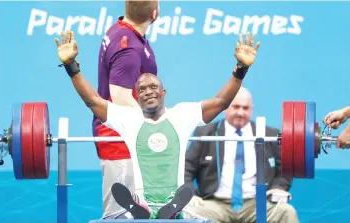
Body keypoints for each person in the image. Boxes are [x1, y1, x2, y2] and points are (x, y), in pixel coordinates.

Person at [55, 30, 260, 219]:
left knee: (176, 204)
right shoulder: (129, 120)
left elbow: (221, 102)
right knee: (143, 209)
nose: (148, 91)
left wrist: (241, 69)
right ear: (137, 97)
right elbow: (93, 101)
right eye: (141, 89)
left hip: (177, 200)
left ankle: (170, 208)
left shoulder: (182, 114)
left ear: (164, 93)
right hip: (142, 204)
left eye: (153, 86)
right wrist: (71, 66)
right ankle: (142, 208)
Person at [184, 87, 299, 223]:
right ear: (225, 107)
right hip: (214, 204)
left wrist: (278, 188)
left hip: (256, 204)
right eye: (236, 107)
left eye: (245, 108)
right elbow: (186, 168)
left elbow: (285, 169)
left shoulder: (270, 134)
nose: (240, 112)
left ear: (252, 109)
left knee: (287, 212)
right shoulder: (205, 133)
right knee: (190, 213)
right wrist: (189, 194)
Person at [92, 0, 159, 217]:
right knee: (119, 217)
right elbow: (120, 97)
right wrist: (154, 125)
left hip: (125, 139)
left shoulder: (120, 30)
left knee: (136, 215)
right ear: (154, 13)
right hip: (119, 142)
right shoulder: (128, 47)